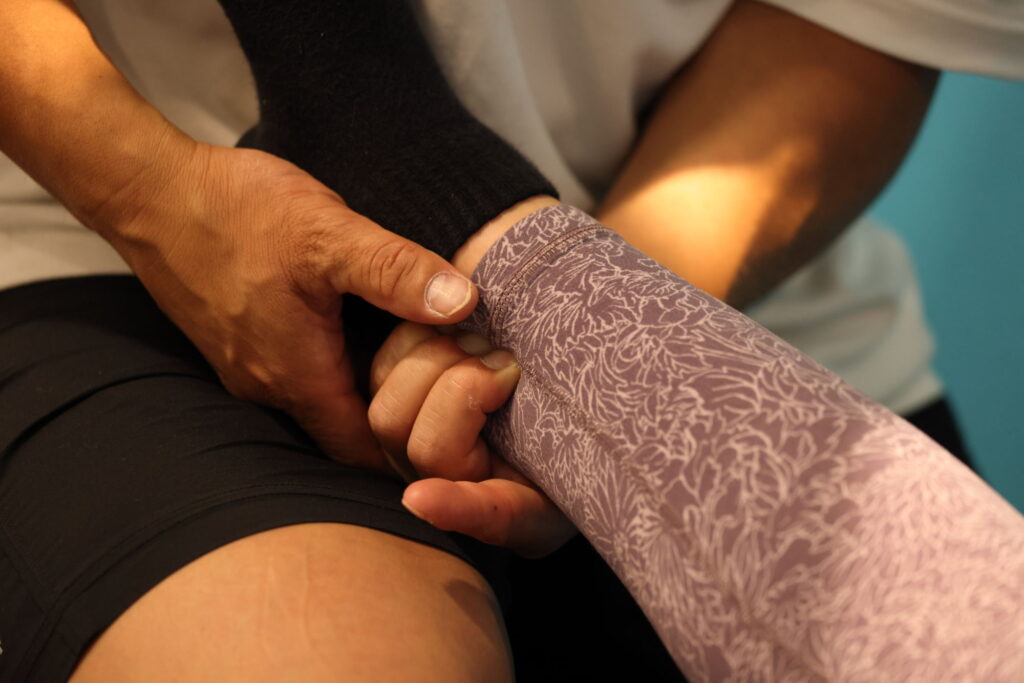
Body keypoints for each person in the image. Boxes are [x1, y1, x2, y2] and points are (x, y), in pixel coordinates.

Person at [1, 1, 1022, 681]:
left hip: (700, 241)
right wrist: (148, 193)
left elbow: (868, 22)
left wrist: (575, 315)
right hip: (110, 232)